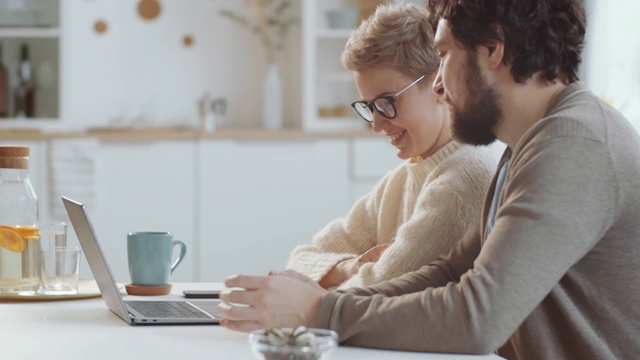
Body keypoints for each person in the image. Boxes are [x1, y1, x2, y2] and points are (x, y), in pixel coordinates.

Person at [218, 0, 640, 359]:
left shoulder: (574, 144)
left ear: (493, 49)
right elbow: (453, 270)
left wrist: (319, 313)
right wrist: (323, 303)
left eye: (443, 55)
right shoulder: (532, 143)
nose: (438, 81)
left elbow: (478, 318)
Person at [286, 4, 501, 290]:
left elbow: (375, 292)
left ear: (440, 83)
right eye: (369, 106)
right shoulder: (400, 182)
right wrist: (353, 266)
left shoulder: (463, 179)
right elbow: (302, 260)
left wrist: (335, 277)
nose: (375, 124)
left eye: (387, 102)